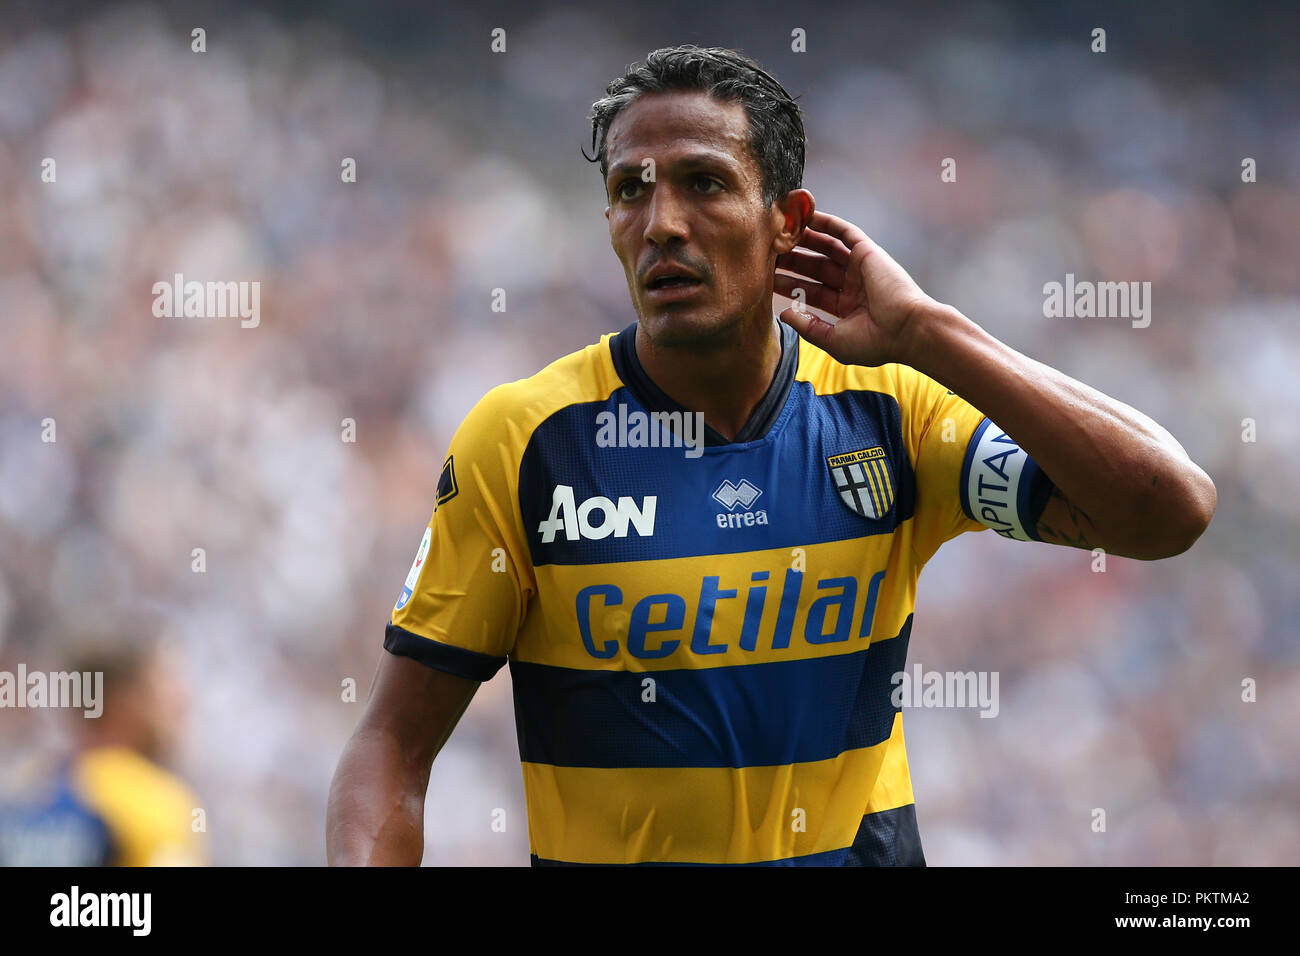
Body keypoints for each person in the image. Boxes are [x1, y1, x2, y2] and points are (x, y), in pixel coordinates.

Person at [327, 45, 1216, 866]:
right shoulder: (526, 441)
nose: (661, 223)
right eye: (631, 189)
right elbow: (392, 746)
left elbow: (1166, 509)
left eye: (703, 183)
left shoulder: (893, 408)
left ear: (787, 220)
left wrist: (929, 333)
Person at [0, 636, 205, 866]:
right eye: (165, 689)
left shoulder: (26, 792)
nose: (181, 705)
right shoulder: (156, 803)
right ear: (123, 703)